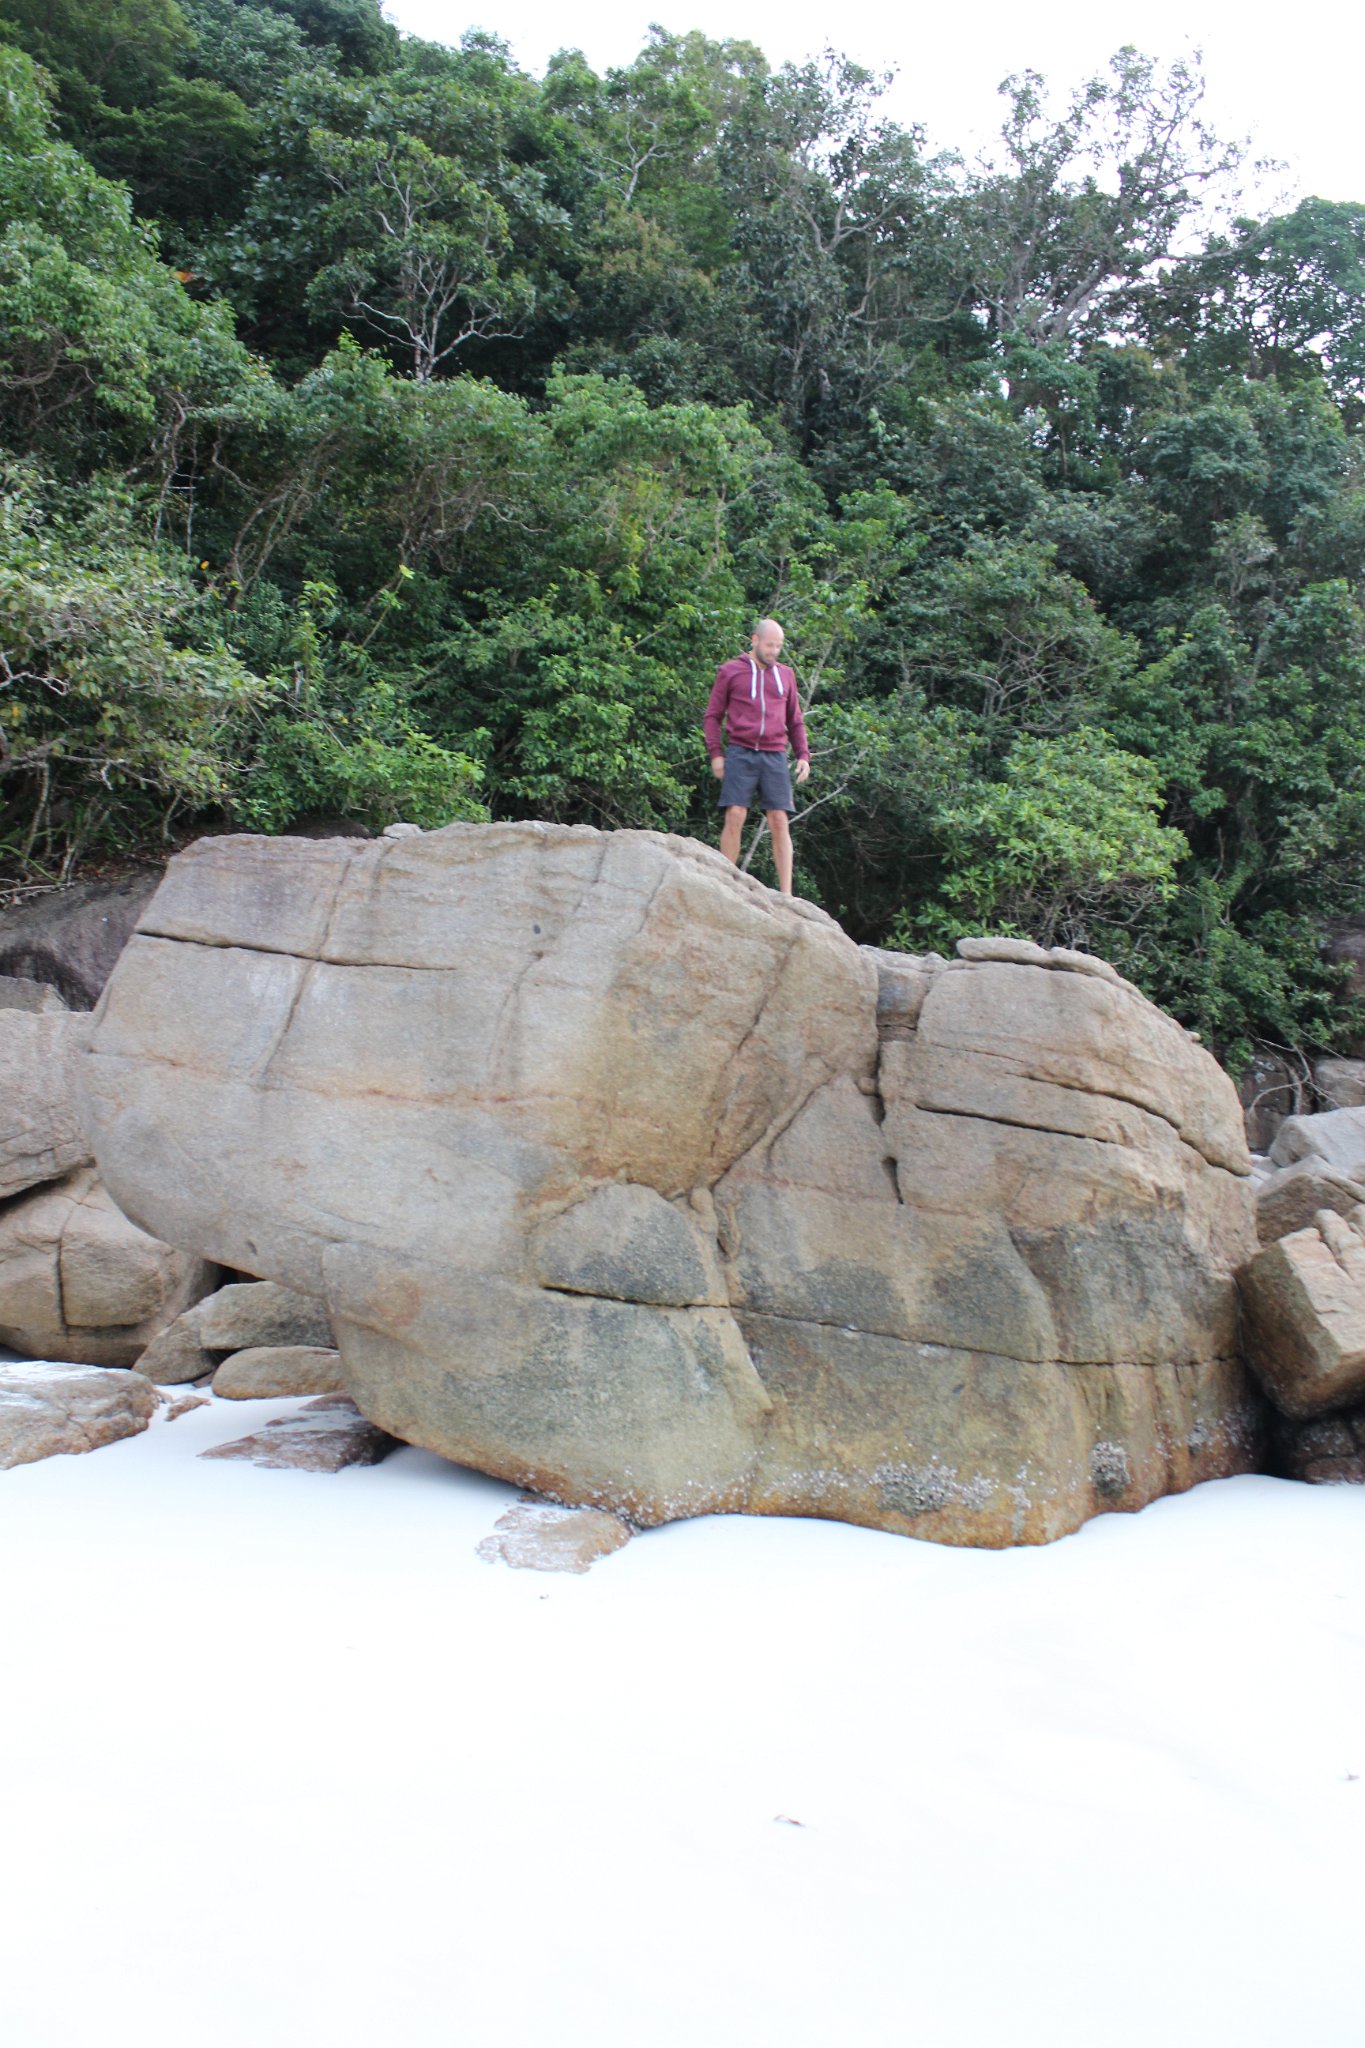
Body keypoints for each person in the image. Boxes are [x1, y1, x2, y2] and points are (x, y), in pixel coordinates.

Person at [702, 618, 810, 896]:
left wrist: (803, 754)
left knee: (779, 820)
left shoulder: (785, 675)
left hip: (775, 754)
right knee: (735, 814)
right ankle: (726, 884)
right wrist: (716, 754)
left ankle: (787, 894)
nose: (774, 651)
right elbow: (713, 716)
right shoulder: (730, 671)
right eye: (770, 645)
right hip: (741, 750)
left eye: (779, 646)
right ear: (755, 640)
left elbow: (795, 720)